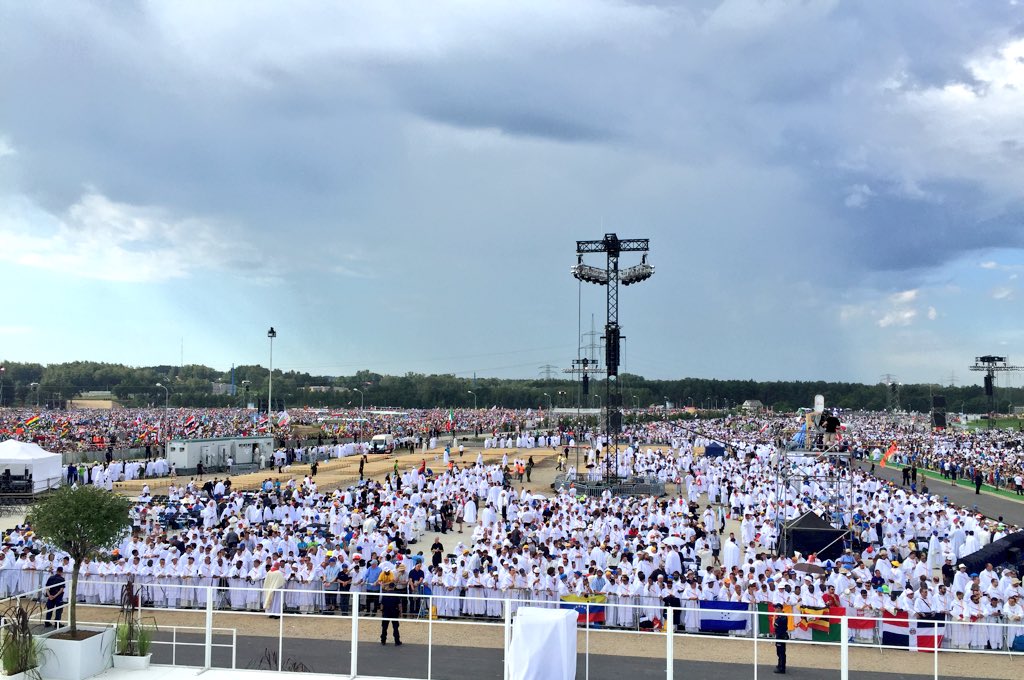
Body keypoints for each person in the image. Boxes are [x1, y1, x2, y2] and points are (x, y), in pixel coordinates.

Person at [380, 580, 403, 645]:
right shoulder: (396, 595)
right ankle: (397, 641)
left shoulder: (385, 595)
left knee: (384, 627)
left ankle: (383, 640)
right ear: (394, 587)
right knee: (395, 627)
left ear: (389, 586)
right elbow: (399, 605)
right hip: (394, 611)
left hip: (386, 611)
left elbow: (382, 605)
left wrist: (382, 611)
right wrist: (400, 613)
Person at [774, 610, 788, 674]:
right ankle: (780, 665)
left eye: (776, 608)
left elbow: (775, 625)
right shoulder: (781, 617)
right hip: (780, 635)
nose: (775, 610)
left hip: (780, 636)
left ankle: (782, 668)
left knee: (781, 652)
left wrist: (776, 620)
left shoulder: (782, 617)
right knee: (779, 652)